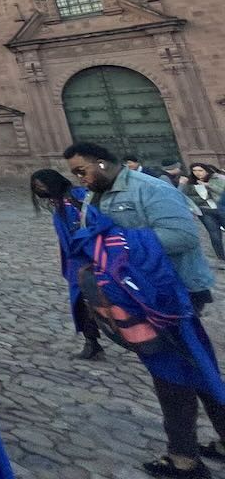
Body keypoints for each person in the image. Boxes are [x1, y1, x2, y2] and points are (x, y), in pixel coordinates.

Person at [67, 142, 225, 478]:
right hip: (138, 295)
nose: (80, 179)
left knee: (172, 373)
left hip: (173, 294)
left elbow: (183, 237)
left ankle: (184, 460)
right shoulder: (95, 195)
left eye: (82, 170)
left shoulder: (150, 189)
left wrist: (115, 245)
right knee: (196, 366)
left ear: (102, 163)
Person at [29, 169, 104, 360]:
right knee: (83, 302)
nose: (39, 189)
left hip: (86, 257)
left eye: (42, 185)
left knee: (87, 301)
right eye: (36, 187)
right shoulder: (62, 202)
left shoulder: (75, 199)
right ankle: (92, 342)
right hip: (76, 260)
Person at [182, 163, 225, 263]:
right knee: (214, 233)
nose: (197, 173)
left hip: (220, 208)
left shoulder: (217, 179)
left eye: (200, 170)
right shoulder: (190, 183)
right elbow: (187, 197)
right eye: (194, 171)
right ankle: (221, 256)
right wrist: (200, 200)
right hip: (205, 210)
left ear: (206, 170)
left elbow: (222, 191)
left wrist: (208, 186)